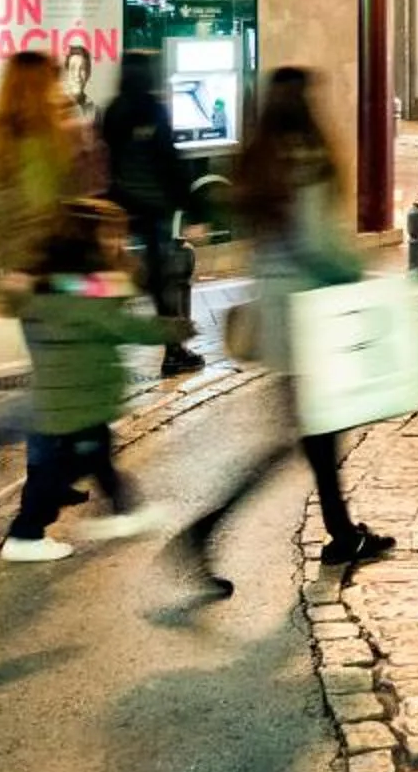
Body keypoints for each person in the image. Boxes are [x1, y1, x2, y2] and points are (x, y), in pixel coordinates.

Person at [163, 68, 394, 597]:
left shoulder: (262, 158)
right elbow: (317, 245)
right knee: (296, 440)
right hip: (307, 319)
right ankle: (205, 530)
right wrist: (362, 276)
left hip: (280, 313)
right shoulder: (303, 159)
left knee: (316, 435)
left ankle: (341, 533)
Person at [2, 199, 183, 560]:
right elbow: (120, 324)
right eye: (111, 234)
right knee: (68, 466)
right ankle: (25, 533)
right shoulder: (84, 290)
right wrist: (172, 328)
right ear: (87, 240)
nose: (118, 242)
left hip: (71, 394)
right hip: (76, 396)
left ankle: (122, 510)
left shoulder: (54, 284)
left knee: (94, 455)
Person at [100, 50, 203, 379]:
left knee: (121, 277)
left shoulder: (113, 111)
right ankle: (174, 351)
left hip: (121, 210)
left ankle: (105, 344)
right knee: (162, 283)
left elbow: (108, 160)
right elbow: (169, 162)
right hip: (153, 210)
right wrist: (191, 208)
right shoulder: (154, 109)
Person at [0, 49, 84, 301]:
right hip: (50, 262)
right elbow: (50, 204)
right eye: (53, 80)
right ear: (43, 85)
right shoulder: (54, 138)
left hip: (15, 262)